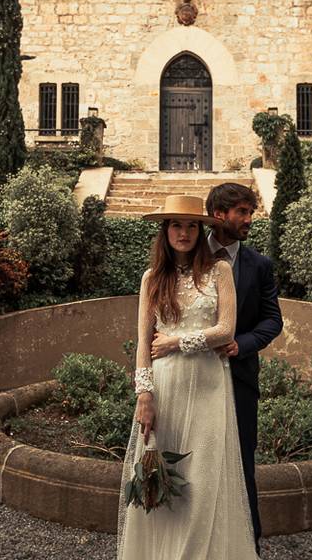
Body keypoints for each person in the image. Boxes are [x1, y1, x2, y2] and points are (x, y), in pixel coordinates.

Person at [117, 195, 259, 560]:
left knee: (204, 477)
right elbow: (143, 343)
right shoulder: (151, 278)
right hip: (165, 387)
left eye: (191, 226)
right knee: (163, 476)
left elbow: (226, 331)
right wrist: (143, 396)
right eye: (176, 225)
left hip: (210, 385)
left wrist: (178, 342)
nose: (184, 233)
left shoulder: (219, 271)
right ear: (165, 232)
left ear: (201, 230)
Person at [206, 183, 284, 555]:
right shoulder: (186, 254)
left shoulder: (260, 265)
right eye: (242, 212)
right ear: (219, 214)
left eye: (251, 212)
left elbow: (273, 321)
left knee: (241, 462)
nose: (249, 220)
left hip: (239, 380)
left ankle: (247, 546)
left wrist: (243, 344)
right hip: (192, 379)